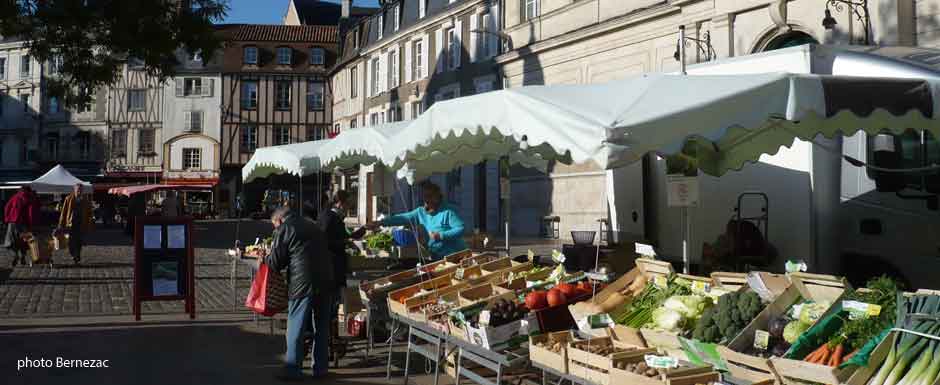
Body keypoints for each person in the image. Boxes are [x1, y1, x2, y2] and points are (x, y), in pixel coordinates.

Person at [260, 206, 335, 381]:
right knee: (322, 326)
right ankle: (321, 368)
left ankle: (293, 369)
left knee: (296, 325)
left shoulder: (286, 228)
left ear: (279, 220)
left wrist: (265, 258)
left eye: (274, 226)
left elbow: (276, 262)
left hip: (303, 282)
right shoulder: (313, 225)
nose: (275, 229)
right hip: (326, 280)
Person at [369, 182, 466, 260]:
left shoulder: (448, 212)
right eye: (425, 197)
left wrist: (441, 235)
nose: (427, 200)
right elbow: (402, 218)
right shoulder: (421, 212)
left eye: (430, 196)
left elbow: (461, 228)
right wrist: (380, 222)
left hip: (455, 256)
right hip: (436, 256)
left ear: (438, 197)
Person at [4, 186, 39, 267]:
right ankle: (23, 256)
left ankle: (15, 254)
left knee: (12, 240)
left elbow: (7, 207)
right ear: (29, 191)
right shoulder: (29, 198)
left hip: (12, 222)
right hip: (23, 223)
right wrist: (31, 224)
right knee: (24, 240)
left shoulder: (15, 196)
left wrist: (7, 218)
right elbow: (30, 212)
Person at [59, 184, 93, 265]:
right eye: (77, 189)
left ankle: (77, 255)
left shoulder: (86, 200)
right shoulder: (68, 198)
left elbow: (89, 213)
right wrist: (61, 224)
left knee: (79, 241)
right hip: (70, 224)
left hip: (81, 223)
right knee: (70, 241)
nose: (79, 191)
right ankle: (73, 254)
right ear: (74, 190)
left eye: (80, 189)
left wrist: (90, 222)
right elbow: (64, 212)